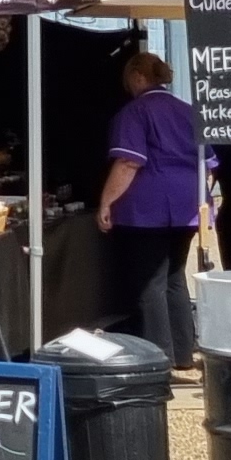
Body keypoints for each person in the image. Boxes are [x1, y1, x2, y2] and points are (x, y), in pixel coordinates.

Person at [94, 49, 206, 362]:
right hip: (188, 206)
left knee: (149, 284)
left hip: (147, 210)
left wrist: (106, 201)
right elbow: (208, 162)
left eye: (129, 80)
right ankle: (184, 351)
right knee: (174, 278)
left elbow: (129, 162)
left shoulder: (135, 112)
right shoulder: (188, 111)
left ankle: (159, 357)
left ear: (139, 77)